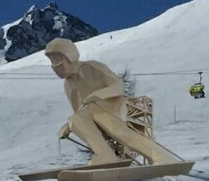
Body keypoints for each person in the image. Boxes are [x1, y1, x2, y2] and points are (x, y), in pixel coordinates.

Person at [45, 38, 175, 166]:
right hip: (93, 113)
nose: (54, 66)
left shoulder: (91, 67)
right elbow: (80, 112)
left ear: (68, 57)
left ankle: (162, 156)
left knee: (118, 131)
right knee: (75, 119)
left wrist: (98, 95)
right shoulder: (69, 85)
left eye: (56, 60)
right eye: (51, 61)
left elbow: (118, 86)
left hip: (112, 108)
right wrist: (69, 125)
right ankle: (105, 155)